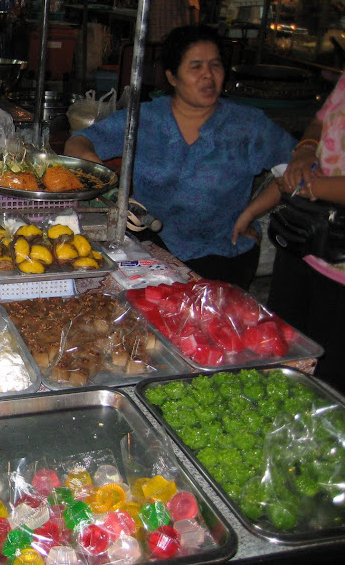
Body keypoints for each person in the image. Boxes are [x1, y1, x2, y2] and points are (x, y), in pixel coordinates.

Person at [64, 25, 297, 290]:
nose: (208, 75)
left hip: (224, 256)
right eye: (196, 67)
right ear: (172, 77)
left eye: (215, 65)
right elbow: (78, 142)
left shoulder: (247, 125)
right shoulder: (147, 119)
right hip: (154, 249)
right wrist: (108, 183)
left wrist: (251, 213)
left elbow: (293, 173)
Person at [235, 72, 345, 391]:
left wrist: (313, 187)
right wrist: (306, 150)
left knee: (329, 377)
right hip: (305, 241)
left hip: (340, 268)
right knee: (280, 354)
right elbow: (320, 122)